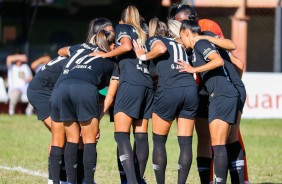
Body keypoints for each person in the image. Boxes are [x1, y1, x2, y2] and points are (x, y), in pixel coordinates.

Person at [172, 4, 249, 184]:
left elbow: (228, 54)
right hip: (215, 92)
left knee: (224, 141)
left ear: (187, 26)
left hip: (224, 92)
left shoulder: (204, 34)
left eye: (180, 27)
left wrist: (201, 41)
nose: (177, 32)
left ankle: (237, 180)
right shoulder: (190, 43)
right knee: (218, 140)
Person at [91, 5, 153, 184]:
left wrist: (105, 55)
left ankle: (132, 181)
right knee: (141, 135)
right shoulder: (144, 33)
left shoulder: (123, 28)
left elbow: (125, 46)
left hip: (130, 83)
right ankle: (139, 180)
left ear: (122, 21)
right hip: (147, 83)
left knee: (121, 134)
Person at [133, 18, 198, 184]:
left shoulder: (155, 40)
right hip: (190, 89)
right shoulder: (178, 42)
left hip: (169, 89)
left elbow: (160, 49)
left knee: (159, 141)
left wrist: (143, 56)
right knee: (185, 143)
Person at [53, 17, 115, 184]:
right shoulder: (111, 60)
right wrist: (98, 116)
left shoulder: (79, 48)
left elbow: (61, 51)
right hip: (84, 88)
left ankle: (71, 182)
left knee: (72, 139)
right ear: (112, 46)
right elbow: (109, 95)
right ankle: (88, 181)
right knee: (89, 140)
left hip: (62, 87)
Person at [27, 55, 68, 184]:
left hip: (46, 91)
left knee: (61, 135)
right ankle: (53, 179)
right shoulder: (75, 60)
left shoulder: (74, 54)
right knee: (60, 134)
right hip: (40, 92)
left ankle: (60, 178)